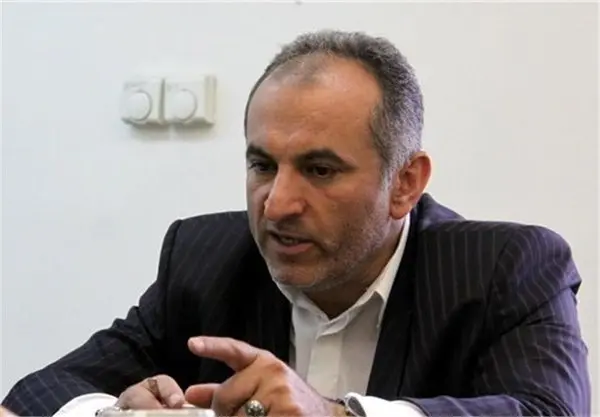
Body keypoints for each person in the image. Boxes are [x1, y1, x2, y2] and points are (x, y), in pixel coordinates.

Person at [2, 30, 591, 417]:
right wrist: (116, 413)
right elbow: (35, 395)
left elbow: (549, 411)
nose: (277, 205)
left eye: (320, 169)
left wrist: (334, 413)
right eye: (262, 165)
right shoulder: (204, 257)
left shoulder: (504, 269)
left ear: (405, 183)